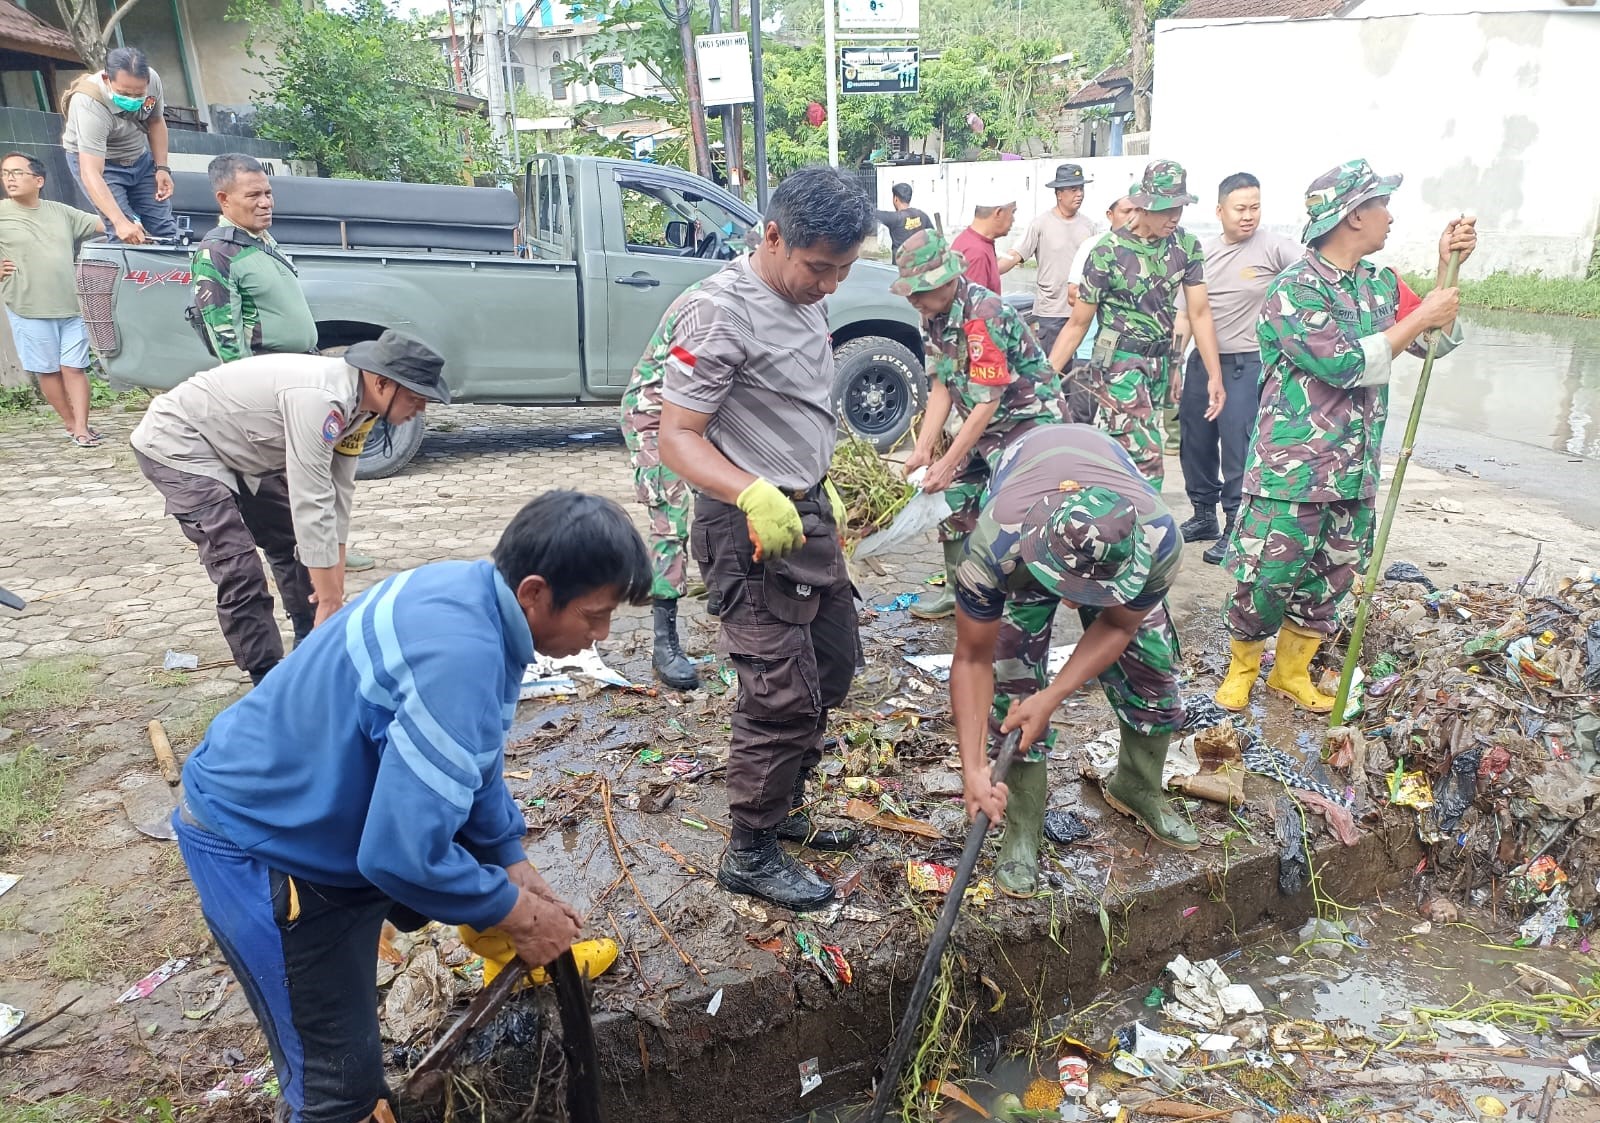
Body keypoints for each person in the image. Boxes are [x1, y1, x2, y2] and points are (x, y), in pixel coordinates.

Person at [173, 490, 649, 1123]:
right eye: (594, 616)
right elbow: (398, 856)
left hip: (318, 803)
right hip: (262, 847)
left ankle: (493, 932)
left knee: (462, 872)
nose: (602, 635)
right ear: (535, 593)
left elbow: (468, 758)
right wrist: (521, 915)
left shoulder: (471, 596)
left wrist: (508, 858)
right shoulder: (459, 660)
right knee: (338, 1094)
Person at [657, 166, 876, 910]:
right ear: (773, 236)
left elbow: (793, 401)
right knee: (779, 692)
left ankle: (787, 805)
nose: (831, 286)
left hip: (804, 512)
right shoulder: (720, 311)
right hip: (747, 523)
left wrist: (818, 477)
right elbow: (677, 436)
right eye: (821, 268)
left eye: (844, 270)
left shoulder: (803, 295)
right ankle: (749, 847)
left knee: (833, 666)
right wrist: (749, 487)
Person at [1216, 159, 1475, 714]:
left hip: (1353, 473)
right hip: (1292, 471)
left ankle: (1290, 673)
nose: (1390, 216)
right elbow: (1346, 365)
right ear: (1354, 215)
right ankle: (1242, 669)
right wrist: (1423, 314)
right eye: (1381, 204)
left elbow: (1433, 342)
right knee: (1265, 578)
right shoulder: (1295, 290)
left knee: (1329, 581)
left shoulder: (1381, 284)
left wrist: (1444, 272)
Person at [950, 424, 1195, 897]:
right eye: (1068, 590)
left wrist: (1055, 695)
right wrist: (973, 769)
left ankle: (1137, 786)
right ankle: (1023, 826)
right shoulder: (994, 548)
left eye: (1087, 596)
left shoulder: (1160, 540)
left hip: (1103, 508)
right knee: (1014, 685)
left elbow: (1119, 626)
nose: (1072, 604)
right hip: (1030, 516)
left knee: (1152, 668)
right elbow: (972, 658)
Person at [130, 330, 448, 685]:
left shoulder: (364, 408)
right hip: (180, 442)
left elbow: (337, 496)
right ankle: (266, 679)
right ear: (383, 383)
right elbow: (310, 498)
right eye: (416, 398)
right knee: (237, 563)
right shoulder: (320, 400)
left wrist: (334, 593)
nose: (420, 409)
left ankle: (313, 649)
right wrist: (329, 600)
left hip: (241, 447)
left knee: (292, 541)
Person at [188, 154, 379, 574]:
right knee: (294, 476)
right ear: (223, 198)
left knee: (322, 468)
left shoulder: (262, 241)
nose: (265, 202)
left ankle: (328, 547)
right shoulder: (218, 253)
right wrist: (242, 394)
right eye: (253, 195)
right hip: (269, 379)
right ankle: (308, 555)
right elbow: (225, 331)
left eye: (268, 193)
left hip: (301, 368)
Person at [892, 228, 1065, 621]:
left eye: (921, 290)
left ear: (949, 280)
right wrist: (923, 449)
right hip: (981, 424)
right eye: (911, 291)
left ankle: (1026, 601)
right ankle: (958, 592)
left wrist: (949, 461)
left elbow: (988, 402)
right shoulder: (932, 315)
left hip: (1026, 425)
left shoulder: (984, 315)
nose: (914, 299)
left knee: (1012, 513)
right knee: (952, 501)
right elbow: (941, 385)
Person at [1046, 160, 1225, 492]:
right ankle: (1145, 532)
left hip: (1159, 361)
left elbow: (1198, 314)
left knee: (1120, 453)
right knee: (1145, 457)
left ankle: (1105, 522)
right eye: (1166, 208)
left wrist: (1210, 374)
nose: (1174, 217)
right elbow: (1078, 323)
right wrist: (1045, 379)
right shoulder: (1108, 251)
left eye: (1180, 208)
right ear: (1144, 204)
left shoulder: (1185, 246)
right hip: (1118, 363)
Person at [1178, 173, 1303, 565]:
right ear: (1219, 211)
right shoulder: (1202, 254)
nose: (1249, 216)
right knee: (1195, 442)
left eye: (1255, 207)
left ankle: (1236, 525)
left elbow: (1313, 275)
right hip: (1203, 363)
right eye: (1240, 208)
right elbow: (1186, 315)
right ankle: (1204, 515)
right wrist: (1171, 364)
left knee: (1238, 445)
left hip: (1247, 364)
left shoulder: (1275, 248)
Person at [620, 321, 703, 692]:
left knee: (722, 498)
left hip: (699, 414)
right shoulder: (711, 311)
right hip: (656, 414)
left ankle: (723, 598)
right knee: (672, 516)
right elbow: (689, 376)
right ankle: (663, 645)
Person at [0, 152, 104, 447]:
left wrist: (131, 220)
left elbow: (103, 224)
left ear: (39, 180)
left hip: (72, 305)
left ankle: (83, 426)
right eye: (6, 173)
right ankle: (71, 424)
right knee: (48, 370)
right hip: (28, 307)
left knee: (74, 367)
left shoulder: (61, 212)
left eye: (17, 172)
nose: (10, 178)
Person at [60, 46, 176, 245]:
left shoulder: (153, 81)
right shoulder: (88, 102)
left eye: (138, 94)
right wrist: (119, 221)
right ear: (107, 80)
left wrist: (162, 167)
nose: (132, 99)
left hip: (139, 157)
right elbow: (91, 172)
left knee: (163, 227)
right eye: (124, 93)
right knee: (125, 232)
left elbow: (156, 121)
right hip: (101, 165)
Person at [1000, 163, 1099, 359]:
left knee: (1078, 374)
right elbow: (1016, 255)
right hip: (1051, 312)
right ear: (1059, 194)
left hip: (1081, 313)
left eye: (1081, 188)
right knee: (1052, 372)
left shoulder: (1089, 226)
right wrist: (988, 268)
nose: (1079, 194)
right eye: (1073, 189)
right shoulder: (1041, 224)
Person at [1063, 190, 1139, 426]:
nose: (1132, 218)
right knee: (1082, 418)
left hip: (1129, 357)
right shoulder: (1094, 247)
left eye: (1138, 211)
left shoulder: (1148, 251)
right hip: (1090, 350)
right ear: (1110, 214)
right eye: (1126, 211)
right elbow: (1073, 294)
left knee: (1123, 422)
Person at [951, 197, 1016, 294]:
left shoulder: (968, 239)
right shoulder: (977, 252)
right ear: (998, 212)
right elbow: (975, 306)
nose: (1013, 219)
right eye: (1012, 212)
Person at [875, 182, 933, 254]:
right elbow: (933, 236)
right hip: (919, 263)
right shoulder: (922, 215)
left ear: (895, 199)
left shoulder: (895, 218)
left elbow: (873, 213)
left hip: (900, 264)